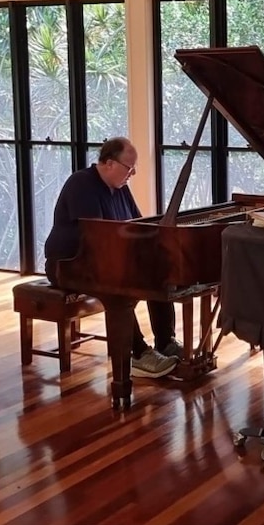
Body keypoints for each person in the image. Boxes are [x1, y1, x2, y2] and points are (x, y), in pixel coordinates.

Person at [44, 136, 182, 378]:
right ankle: (138, 354)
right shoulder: (81, 184)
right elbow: (97, 237)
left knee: (158, 274)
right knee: (118, 288)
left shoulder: (120, 189)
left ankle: (165, 341)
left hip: (103, 260)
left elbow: (138, 226)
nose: (133, 173)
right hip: (69, 263)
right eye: (129, 168)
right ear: (109, 163)